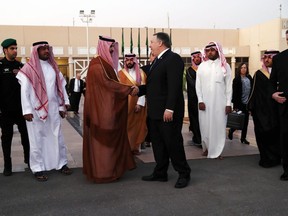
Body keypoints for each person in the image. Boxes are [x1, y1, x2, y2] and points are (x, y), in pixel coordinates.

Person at [132, 32, 191, 189]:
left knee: (173, 144)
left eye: (151, 42)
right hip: (155, 112)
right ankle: (160, 172)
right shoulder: (158, 61)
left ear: (160, 43)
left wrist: (169, 108)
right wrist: (138, 90)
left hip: (167, 112)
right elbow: (154, 85)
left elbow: (174, 87)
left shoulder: (173, 59)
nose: (150, 45)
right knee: (158, 144)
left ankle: (184, 173)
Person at [83, 36, 136, 183]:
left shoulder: (106, 64)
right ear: (102, 47)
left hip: (108, 109)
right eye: (109, 47)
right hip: (102, 111)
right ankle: (103, 173)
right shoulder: (97, 64)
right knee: (103, 143)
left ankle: (113, 170)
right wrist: (128, 89)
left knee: (109, 143)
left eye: (113, 47)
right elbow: (108, 84)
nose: (112, 50)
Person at [16, 41, 72, 181]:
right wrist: (26, 110)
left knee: (57, 136)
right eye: (43, 49)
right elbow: (25, 91)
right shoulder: (28, 69)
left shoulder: (54, 67)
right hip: (35, 110)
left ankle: (61, 163)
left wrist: (63, 104)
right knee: (36, 139)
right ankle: (37, 168)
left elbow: (60, 88)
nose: (46, 51)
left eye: (48, 48)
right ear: (36, 51)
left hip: (53, 108)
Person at [195, 42, 232, 159]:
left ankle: (217, 151)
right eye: (207, 50)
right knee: (204, 125)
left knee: (218, 127)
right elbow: (198, 85)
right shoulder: (202, 66)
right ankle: (207, 147)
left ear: (217, 50)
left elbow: (229, 87)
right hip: (205, 103)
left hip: (220, 103)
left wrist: (228, 103)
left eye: (212, 49)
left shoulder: (225, 66)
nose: (210, 52)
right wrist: (200, 100)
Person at [0, 38, 30, 176]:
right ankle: (7, 165)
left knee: (26, 136)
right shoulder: (0, 66)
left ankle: (29, 160)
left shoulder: (21, 66)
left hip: (20, 109)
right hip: (5, 110)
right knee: (6, 138)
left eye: (16, 48)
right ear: (5, 50)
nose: (15, 51)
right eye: (12, 48)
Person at [248, 50, 281, 168]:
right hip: (263, 111)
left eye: (270, 57)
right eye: (265, 57)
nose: (266, 60)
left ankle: (278, 157)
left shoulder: (281, 72)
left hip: (278, 110)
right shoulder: (259, 74)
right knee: (264, 134)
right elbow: (253, 92)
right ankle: (266, 158)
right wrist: (251, 107)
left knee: (278, 134)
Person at [118, 54, 147, 155]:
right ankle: (126, 148)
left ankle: (135, 147)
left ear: (134, 61)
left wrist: (139, 103)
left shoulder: (141, 73)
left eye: (131, 60)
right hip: (125, 105)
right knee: (126, 126)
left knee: (137, 126)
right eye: (127, 60)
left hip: (137, 104)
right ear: (125, 61)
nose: (129, 62)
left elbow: (144, 88)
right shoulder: (120, 74)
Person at [270, 29, 288, 180]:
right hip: (285, 107)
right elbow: (271, 83)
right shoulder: (279, 59)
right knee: (285, 138)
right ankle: (287, 170)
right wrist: (273, 94)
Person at [228, 62, 252, 144]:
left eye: (245, 67)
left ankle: (243, 138)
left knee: (246, 122)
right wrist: (235, 106)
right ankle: (231, 130)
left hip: (247, 104)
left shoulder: (249, 78)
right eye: (242, 67)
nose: (244, 69)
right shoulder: (236, 79)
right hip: (239, 104)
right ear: (239, 69)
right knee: (238, 121)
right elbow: (234, 94)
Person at [186, 51, 202, 146]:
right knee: (195, 119)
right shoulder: (189, 70)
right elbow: (192, 84)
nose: (196, 59)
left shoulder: (204, 69)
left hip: (204, 99)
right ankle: (197, 138)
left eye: (198, 57)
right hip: (193, 99)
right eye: (194, 57)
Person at [141, 52, 156, 148]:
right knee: (146, 120)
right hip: (146, 98)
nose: (154, 57)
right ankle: (146, 140)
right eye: (152, 55)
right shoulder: (144, 69)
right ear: (150, 57)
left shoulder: (162, 67)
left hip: (158, 99)